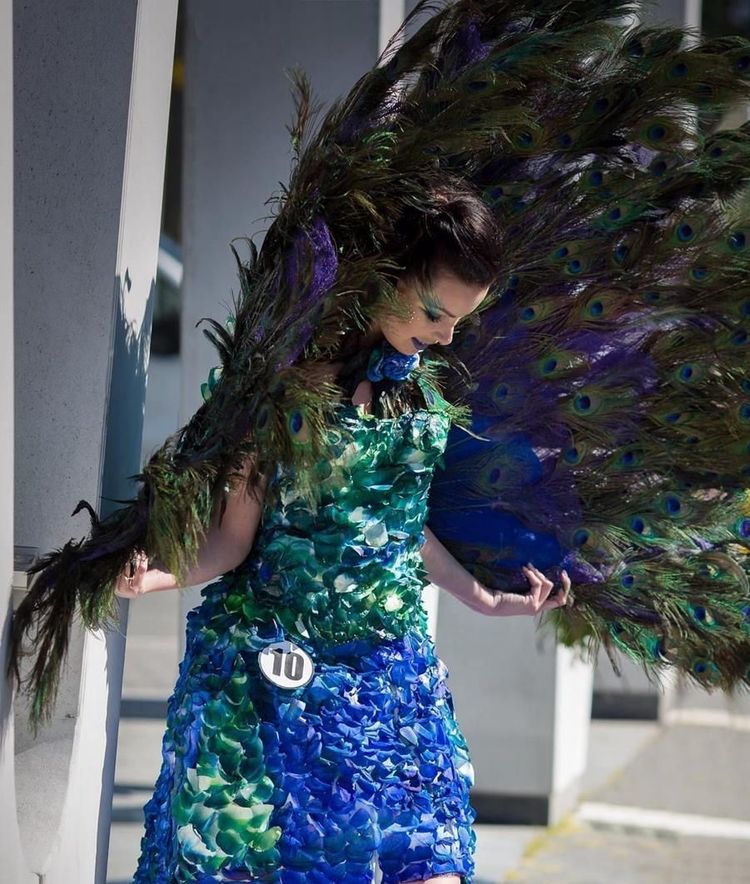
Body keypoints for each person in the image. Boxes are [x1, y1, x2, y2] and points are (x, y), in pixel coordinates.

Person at [118, 183, 571, 884]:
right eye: (434, 313)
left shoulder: (426, 399)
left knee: (433, 866)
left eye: (460, 322)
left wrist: (485, 597)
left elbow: (402, 531)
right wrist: (157, 573)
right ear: (386, 277)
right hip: (275, 678)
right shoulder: (287, 392)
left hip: (390, 680)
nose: (446, 336)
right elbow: (235, 539)